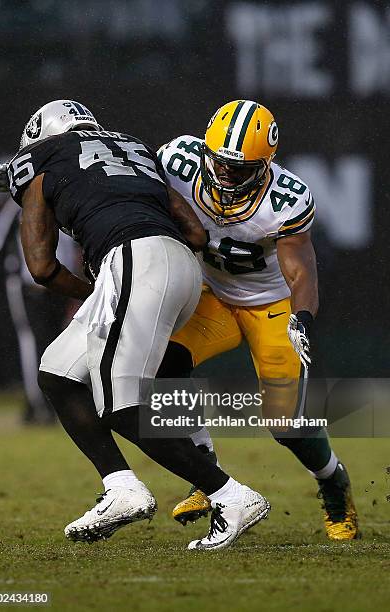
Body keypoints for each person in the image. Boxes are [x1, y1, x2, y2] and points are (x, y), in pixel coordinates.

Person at [0, 99, 270, 551]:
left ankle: (231, 494)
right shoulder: (132, 147)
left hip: (133, 262)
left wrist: (93, 288)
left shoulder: (35, 159)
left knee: (119, 401)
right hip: (178, 267)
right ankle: (122, 487)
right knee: (59, 374)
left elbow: (40, 267)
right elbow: (196, 233)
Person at [156, 99, 359, 541]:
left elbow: (301, 268)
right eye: (221, 162)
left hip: (271, 306)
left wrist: (302, 318)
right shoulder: (177, 160)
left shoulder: (284, 198)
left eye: (240, 167)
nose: (227, 174)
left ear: (266, 163)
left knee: (285, 424)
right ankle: (208, 477)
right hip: (212, 296)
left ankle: (332, 480)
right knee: (161, 365)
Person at [0, 197, 74, 423]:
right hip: (28, 286)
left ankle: (56, 402)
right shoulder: (21, 202)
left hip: (61, 287)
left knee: (57, 345)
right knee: (32, 342)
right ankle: (39, 404)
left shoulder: (68, 197)